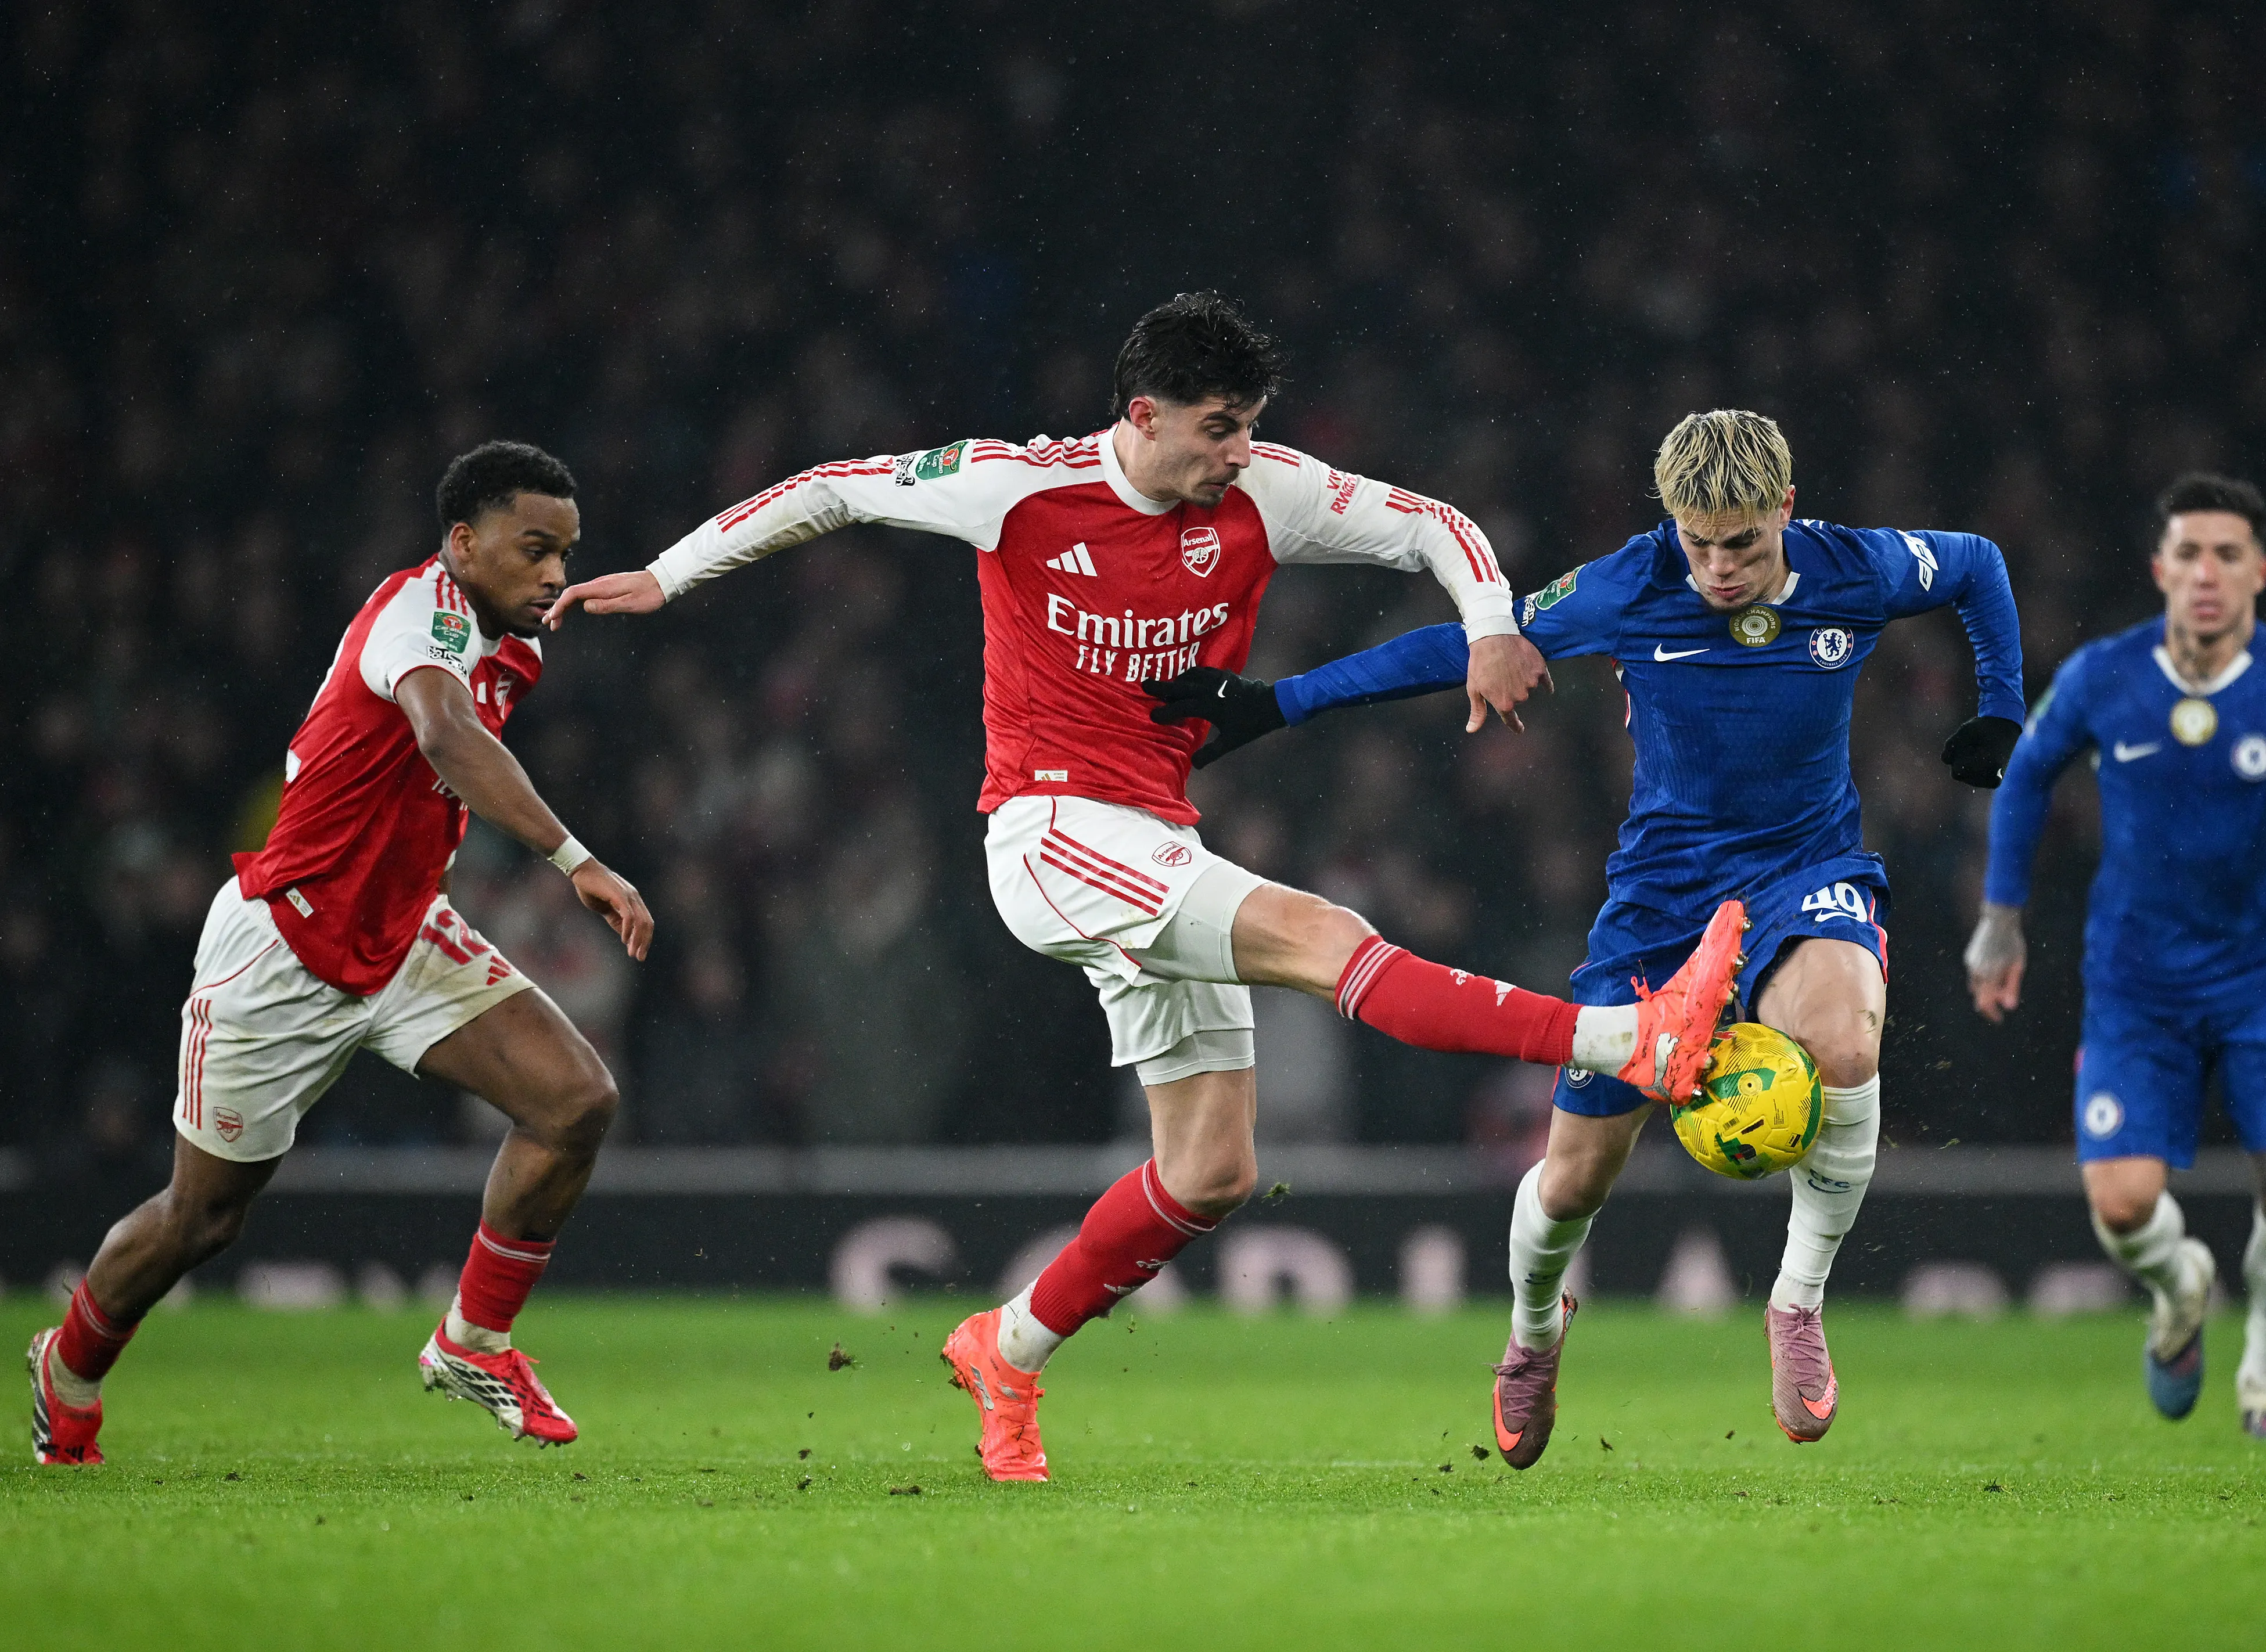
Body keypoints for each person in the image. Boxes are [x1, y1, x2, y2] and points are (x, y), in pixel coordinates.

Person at [547, 293, 1746, 1482]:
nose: (1240, 452)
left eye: (1248, 426)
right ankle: (1628, 1038)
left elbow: (1434, 523)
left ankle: (1005, 1350)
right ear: (1145, 414)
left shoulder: (1265, 491)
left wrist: (1490, 625)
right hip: (1048, 830)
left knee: (1212, 1169)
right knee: (1326, 934)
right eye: (1219, 427)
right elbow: (834, 487)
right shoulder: (1016, 486)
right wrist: (668, 573)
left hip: (1159, 836)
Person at [1157, 408, 2024, 1455]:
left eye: (1741, 543)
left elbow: (1977, 566)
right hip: (1661, 904)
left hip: (1805, 870)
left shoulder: (1857, 569)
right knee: (1572, 1179)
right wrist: (1276, 703)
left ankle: (1795, 1305)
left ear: (1784, 512)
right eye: (1695, 541)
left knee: (1843, 1045)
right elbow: (1476, 638)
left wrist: (2002, 707)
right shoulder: (1631, 581)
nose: (1715, 567)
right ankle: (1531, 1333)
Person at [28, 442, 654, 1465]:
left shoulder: (518, 649)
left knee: (575, 1100)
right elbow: (446, 739)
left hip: (405, 931)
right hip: (285, 944)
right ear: (463, 543)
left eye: (567, 553)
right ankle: (72, 1365)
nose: (554, 573)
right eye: (533, 548)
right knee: (202, 1219)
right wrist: (574, 859)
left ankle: (474, 1342)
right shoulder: (416, 615)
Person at [1965, 473, 2266, 1441]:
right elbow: (2025, 776)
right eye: (2189, 553)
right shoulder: (2106, 676)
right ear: (2159, 568)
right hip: (2137, 984)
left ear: (2259, 573)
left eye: (2227, 555)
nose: (2206, 573)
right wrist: (2001, 916)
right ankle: (2181, 1284)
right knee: (2121, 1205)